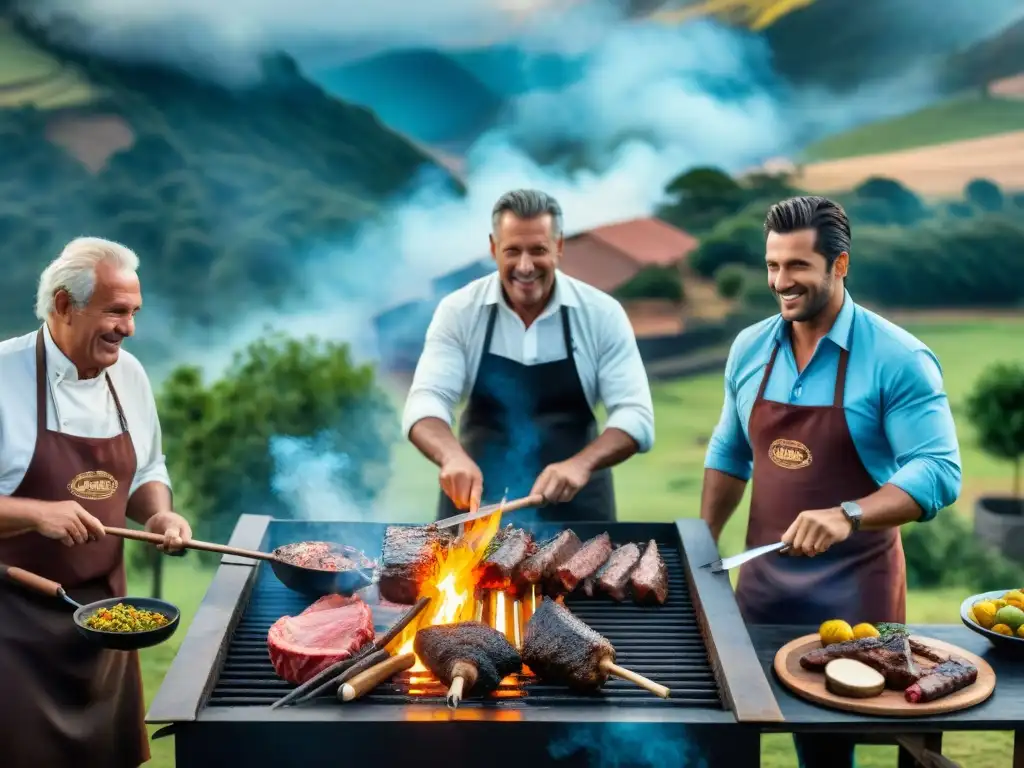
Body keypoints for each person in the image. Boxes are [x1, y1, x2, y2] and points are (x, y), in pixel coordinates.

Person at [700, 196, 961, 768]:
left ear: (840, 265)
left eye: (797, 266)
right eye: (772, 265)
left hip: (855, 597)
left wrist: (848, 513)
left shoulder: (897, 358)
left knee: (827, 751)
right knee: (728, 737)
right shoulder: (751, 348)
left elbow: (939, 469)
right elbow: (729, 451)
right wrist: (703, 540)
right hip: (762, 591)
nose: (780, 282)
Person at [0, 237, 192, 767]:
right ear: (64, 304)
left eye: (133, 313)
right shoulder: (2, 375)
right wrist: (37, 513)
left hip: (108, 623)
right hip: (12, 635)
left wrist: (159, 513)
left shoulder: (128, 375)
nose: (127, 328)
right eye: (115, 311)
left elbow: (147, 470)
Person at [403, 189, 655, 522]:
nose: (525, 266)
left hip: (579, 511)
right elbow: (427, 400)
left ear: (559, 246)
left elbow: (635, 415)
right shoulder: (459, 311)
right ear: (494, 249)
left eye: (538, 250)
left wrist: (581, 464)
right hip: (476, 508)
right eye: (512, 251)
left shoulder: (601, 314)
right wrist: (451, 457)